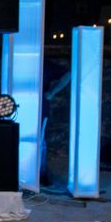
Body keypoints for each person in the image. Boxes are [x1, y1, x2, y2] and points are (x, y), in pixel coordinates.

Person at [41, 58, 70, 186]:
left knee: (40, 142)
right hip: (28, 106)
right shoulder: (44, 63)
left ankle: (40, 173)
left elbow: (68, 74)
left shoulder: (45, 64)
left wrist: (52, 92)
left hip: (40, 107)